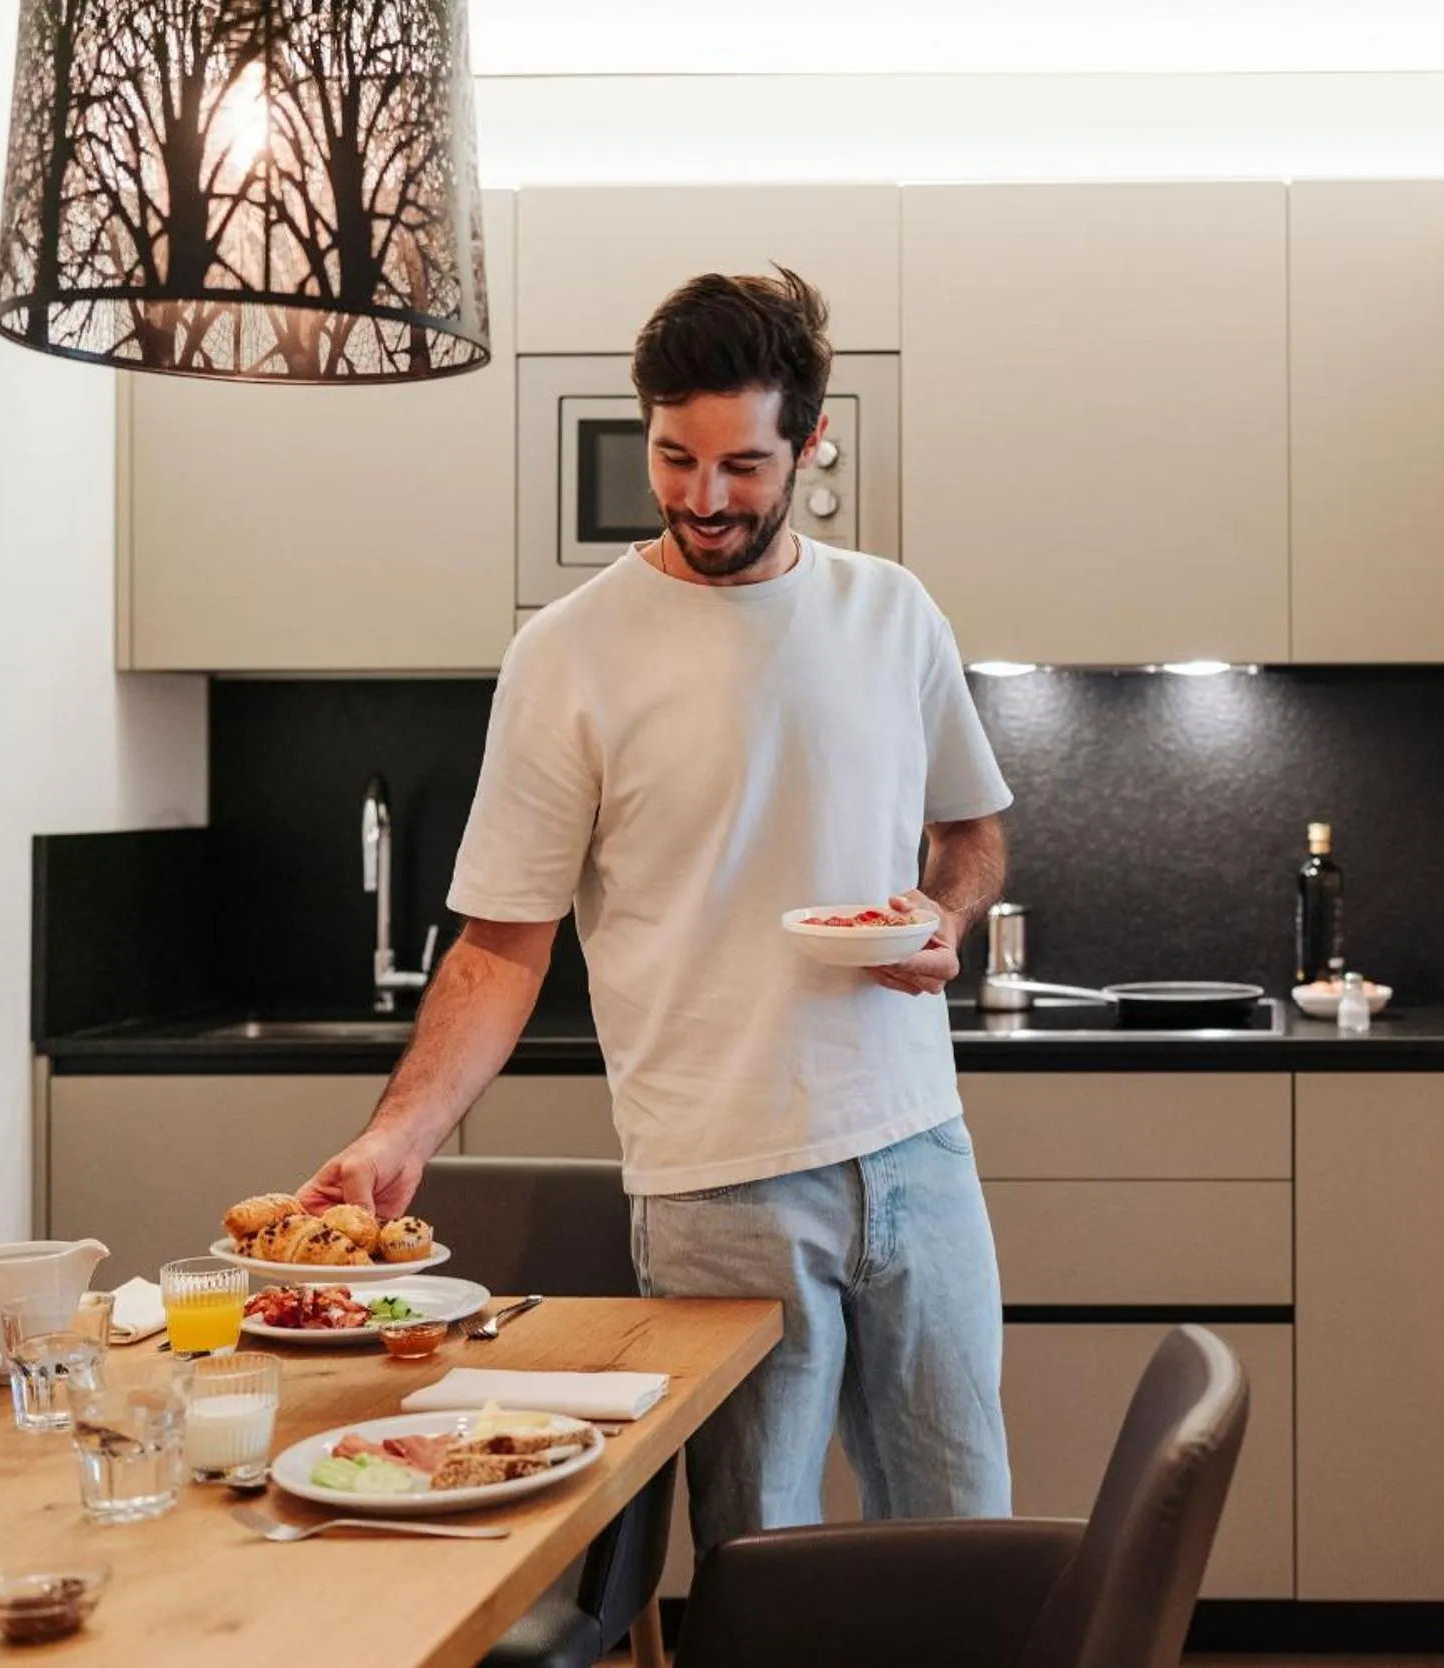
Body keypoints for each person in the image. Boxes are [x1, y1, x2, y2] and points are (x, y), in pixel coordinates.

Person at [298, 266, 1016, 1549]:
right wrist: (401, 1132)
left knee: (965, 1540)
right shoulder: (568, 653)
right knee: (759, 1559)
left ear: (812, 440)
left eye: (742, 464)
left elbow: (970, 831)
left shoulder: (891, 612)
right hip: (718, 1186)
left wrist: (946, 918)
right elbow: (501, 945)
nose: (703, 498)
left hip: (921, 1148)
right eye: (675, 458)